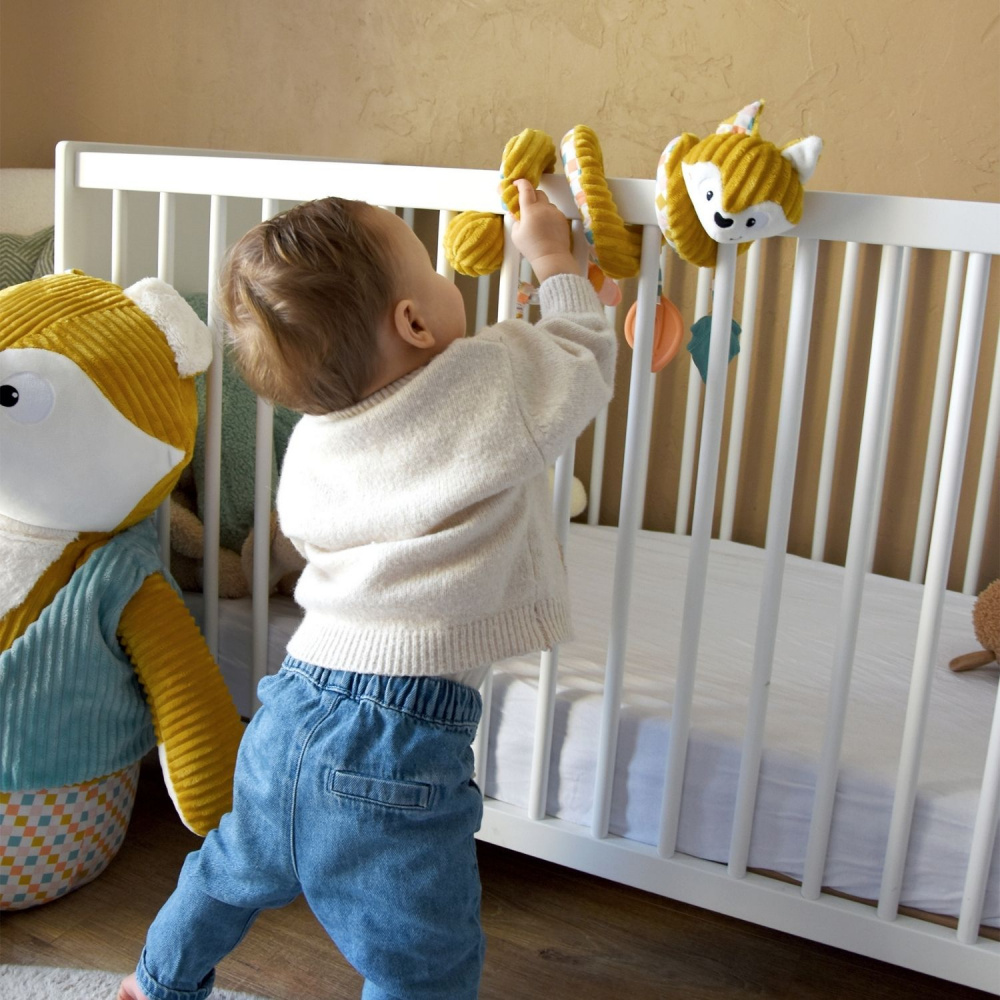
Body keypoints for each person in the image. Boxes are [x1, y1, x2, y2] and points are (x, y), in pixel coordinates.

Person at [119, 177, 616, 1000]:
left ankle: (155, 982)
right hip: (400, 740)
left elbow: (304, 536)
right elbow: (579, 352)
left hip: (289, 708)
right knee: (421, 961)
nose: (450, 282)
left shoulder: (316, 440)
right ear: (415, 323)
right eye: (433, 269)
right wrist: (555, 262)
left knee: (229, 869)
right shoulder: (483, 380)